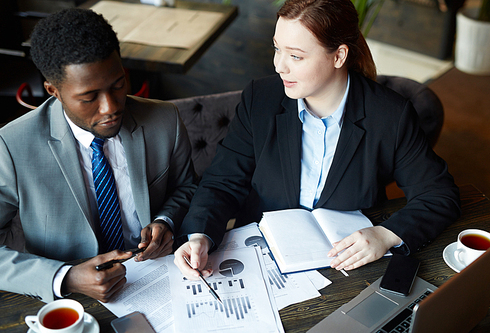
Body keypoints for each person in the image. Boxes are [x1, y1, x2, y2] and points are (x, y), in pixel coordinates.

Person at [174, 0, 461, 279]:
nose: (279, 66)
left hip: (348, 265)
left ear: (339, 56)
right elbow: (223, 181)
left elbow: (438, 195)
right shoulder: (259, 99)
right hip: (266, 258)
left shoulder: (390, 115)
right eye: (277, 49)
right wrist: (199, 235)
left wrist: (386, 234)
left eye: (295, 56)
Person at [0, 8, 197, 303]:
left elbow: (188, 188)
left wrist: (166, 221)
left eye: (118, 85)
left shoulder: (164, 120)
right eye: (89, 97)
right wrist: (64, 277)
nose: (110, 108)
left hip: (161, 278)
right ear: (54, 91)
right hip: (71, 300)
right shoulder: (12, 146)